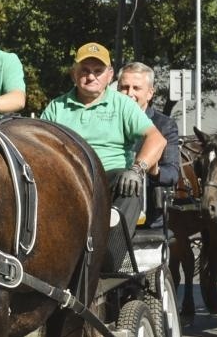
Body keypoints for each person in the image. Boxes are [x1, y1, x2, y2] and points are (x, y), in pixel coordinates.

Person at [41, 42, 166, 253]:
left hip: (111, 180)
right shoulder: (56, 107)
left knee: (129, 185)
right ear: (74, 74)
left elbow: (157, 139)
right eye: (85, 71)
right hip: (67, 180)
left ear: (109, 75)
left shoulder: (123, 104)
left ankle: (112, 253)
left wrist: (137, 169)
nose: (91, 77)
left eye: (98, 71)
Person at [116, 61, 181, 192]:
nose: (129, 93)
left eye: (136, 88)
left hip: (147, 203)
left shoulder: (164, 125)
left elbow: (172, 174)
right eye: (124, 87)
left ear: (150, 93)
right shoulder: (107, 119)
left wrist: (154, 170)